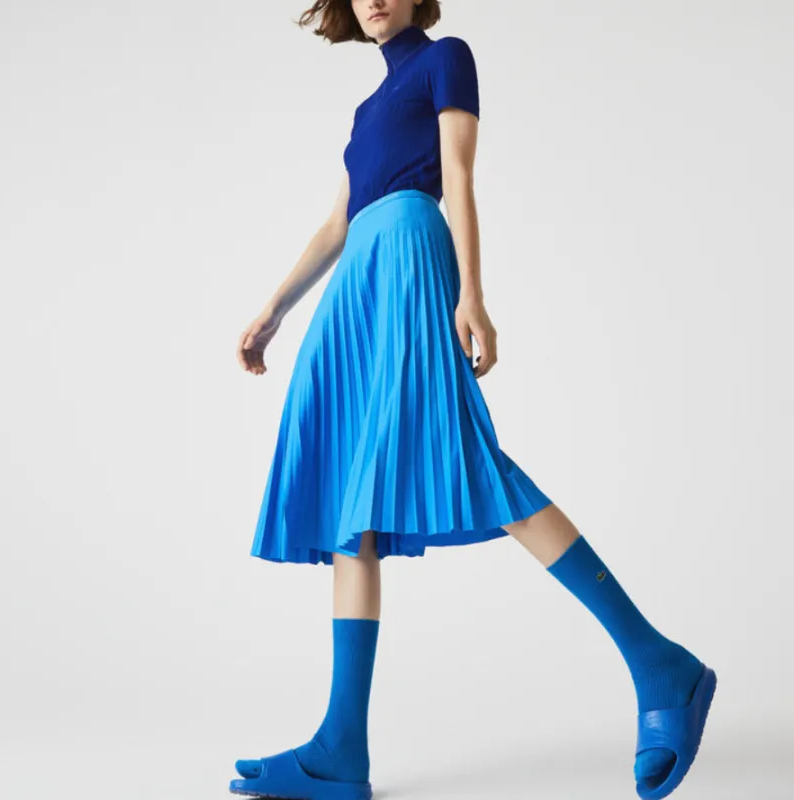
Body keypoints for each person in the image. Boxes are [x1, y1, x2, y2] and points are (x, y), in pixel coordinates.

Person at [231, 2, 716, 799]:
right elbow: (337, 222)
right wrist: (273, 310)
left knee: (468, 458)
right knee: (352, 493)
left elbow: (457, 178)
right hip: (357, 286)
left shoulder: (445, 58)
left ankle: (658, 662)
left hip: (412, 258)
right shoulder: (365, 111)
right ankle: (340, 745)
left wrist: (473, 295)